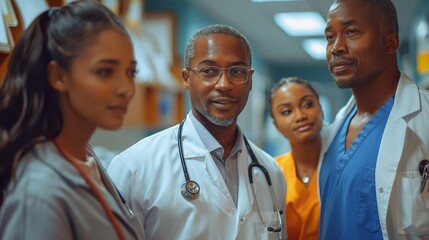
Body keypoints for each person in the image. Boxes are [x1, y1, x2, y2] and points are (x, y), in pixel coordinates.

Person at [108, 24, 287, 240]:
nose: (224, 84)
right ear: (186, 78)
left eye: (237, 72)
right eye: (209, 71)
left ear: (250, 80)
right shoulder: (134, 167)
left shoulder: (270, 172)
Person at [0, 1, 145, 239]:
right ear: (58, 76)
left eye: (131, 72)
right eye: (105, 71)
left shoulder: (84, 159)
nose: (126, 89)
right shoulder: (39, 192)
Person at [319, 0, 429, 239]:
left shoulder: (424, 120)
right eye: (329, 36)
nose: (336, 47)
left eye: (351, 32)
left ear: (390, 43)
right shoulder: (333, 130)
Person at [269, 77, 323, 240]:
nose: (300, 116)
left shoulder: (344, 165)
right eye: (286, 111)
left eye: (307, 105)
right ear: (276, 126)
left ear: (321, 109)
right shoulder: (271, 172)